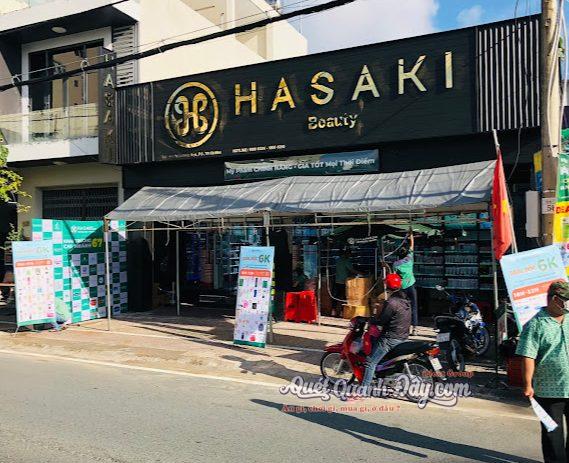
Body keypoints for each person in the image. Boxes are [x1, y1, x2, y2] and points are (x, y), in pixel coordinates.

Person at [516, 281, 569, 463]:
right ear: (555, 299)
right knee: (552, 433)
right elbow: (528, 356)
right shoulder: (535, 324)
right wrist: (527, 384)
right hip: (548, 389)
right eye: (566, 299)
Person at [361, 273, 411, 392]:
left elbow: (382, 320)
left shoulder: (392, 302)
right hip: (403, 336)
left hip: (391, 338)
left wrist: (371, 320)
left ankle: (363, 390)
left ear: (387, 286)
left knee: (370, 362)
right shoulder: (406, 300)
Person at [393, 232, 418, 336]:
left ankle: (403, 328)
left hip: (402, 287)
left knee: (402, 308)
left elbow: (394, 277)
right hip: (411, 285)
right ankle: (414, 329)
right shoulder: (409, 259)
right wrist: (411, 235)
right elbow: (412, 246)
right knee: (414, 306)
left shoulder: (396, 264)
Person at [333, 249, 358, 317]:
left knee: (336, 296)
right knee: (344, 297)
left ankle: (334, 311)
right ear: (348, 254)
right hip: (344, 281)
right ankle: (342, 312)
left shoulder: (338, 260)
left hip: (337, 280)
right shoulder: (346, 261)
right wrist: (361, 273)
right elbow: (352, 270)